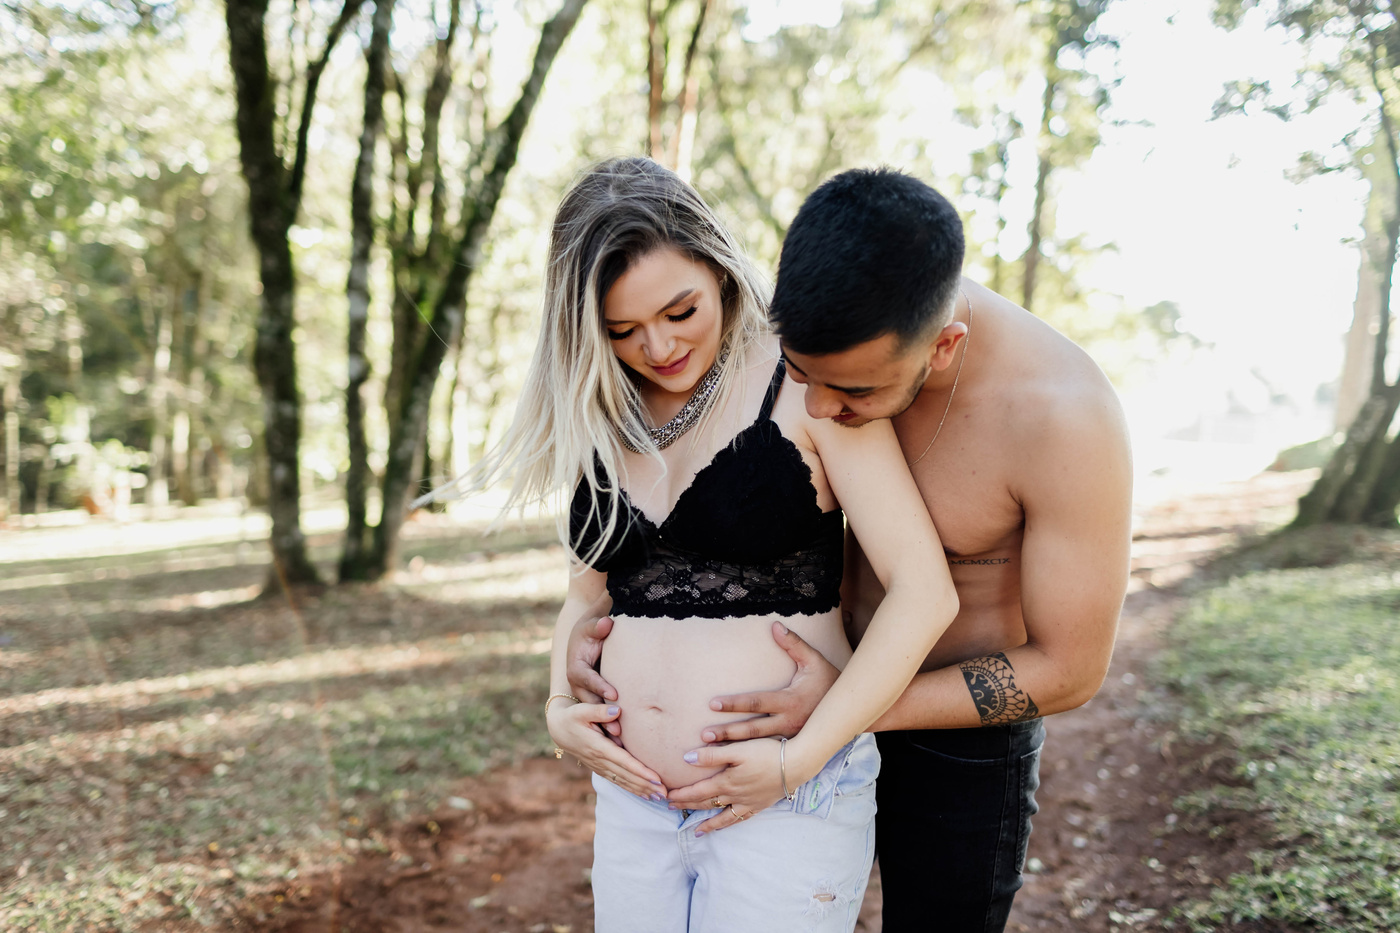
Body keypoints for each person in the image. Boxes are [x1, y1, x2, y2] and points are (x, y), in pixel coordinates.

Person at [569, 168, 1133, 932]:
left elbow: (1070, 669)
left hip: (955, 738)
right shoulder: (831, 307)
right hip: (799, 711)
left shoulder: (1063, 417)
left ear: (942, 349)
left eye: (854, 394)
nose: (822, 409)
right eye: (801, 375)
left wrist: (839, 712)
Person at [457, 157, 958, 932]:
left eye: (680, 310)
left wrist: (795, 761)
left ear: (719, 269)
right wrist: (558, 706)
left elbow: (923, 593)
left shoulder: (805, 381)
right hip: (633, 802)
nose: (658, 346)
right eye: (623, 330)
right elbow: (587, 594)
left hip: (787, 796)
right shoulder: (602, 410)